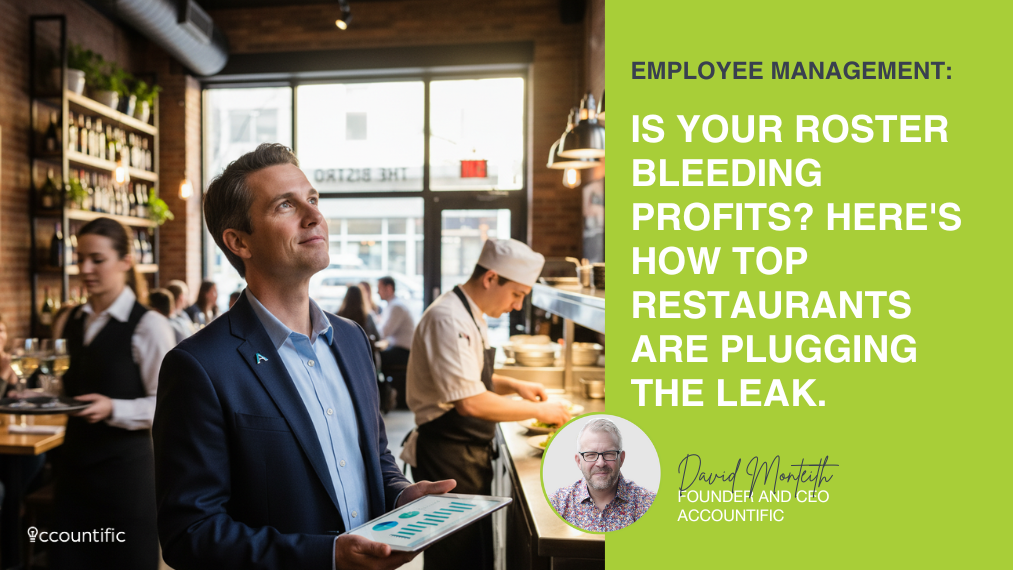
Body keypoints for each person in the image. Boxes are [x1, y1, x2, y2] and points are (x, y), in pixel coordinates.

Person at [153, 143, 454, 569]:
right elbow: (190, 534)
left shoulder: (352, 339)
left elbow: (374, 458)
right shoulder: (200, 366)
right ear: (239, 242)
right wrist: (327, 556)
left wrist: (401, 495)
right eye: (285, 205)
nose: (314, 216)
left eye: (312, 199)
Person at [403, 238, 571, 570]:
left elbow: (468, 378)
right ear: (491, 278)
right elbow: (470, 403)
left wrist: (515, 385)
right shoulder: (449, 319)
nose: (518, 306)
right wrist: (541, 411)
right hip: (447, 456)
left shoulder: (470, 314)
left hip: (465, 452)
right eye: (517, 294)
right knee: (455, 558)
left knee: (472, 553)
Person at [51, 217, 176, 569]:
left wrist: (112, 408)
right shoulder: (69, 320)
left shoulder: (150, 325)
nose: (85, 269)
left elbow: (168, 408)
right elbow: (61, 387)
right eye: (80, 259)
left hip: (125, 479)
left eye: (97, 259)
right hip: (73, 471)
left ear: (125, 261)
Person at [549, 418, 656, 532]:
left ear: (621, 459)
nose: (600, 463)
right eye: (591, 454)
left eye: (609, 454)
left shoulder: (649, 504)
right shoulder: (557, 505)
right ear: (579, 461)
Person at [376, 276, 415, 410]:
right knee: (375, 357)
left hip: (404, 352)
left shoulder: (396, 307)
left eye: (380, 288)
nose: (377, 292)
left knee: (373, 358)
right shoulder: (393, 305)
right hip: (400, 349)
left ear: (389, 288)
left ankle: (382, 395)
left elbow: (382, 333)